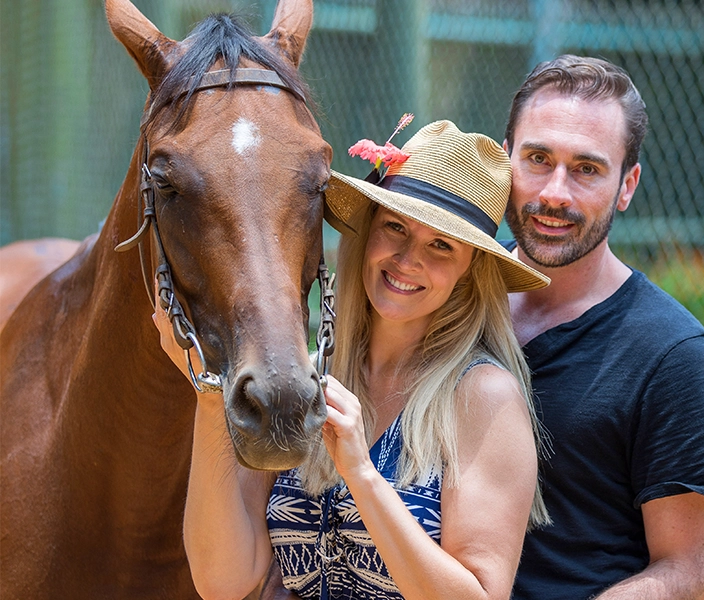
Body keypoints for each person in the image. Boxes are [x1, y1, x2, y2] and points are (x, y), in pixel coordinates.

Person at [154, 120, 552, 600]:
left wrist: (362, 474)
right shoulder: (308, 372)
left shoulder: (483, 396)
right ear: (367, 233)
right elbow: (224, 580)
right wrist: (211, 398)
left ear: (470, 271)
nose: (407, 258)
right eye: (395, 227)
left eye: (441, 245)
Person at [501, 54, 704, 600]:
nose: (555, 193)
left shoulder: (677, 361)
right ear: (503, 160)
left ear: (627, 186)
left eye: (587, 169)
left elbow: (688, 575)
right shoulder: (453, 298)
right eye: (538, 158)